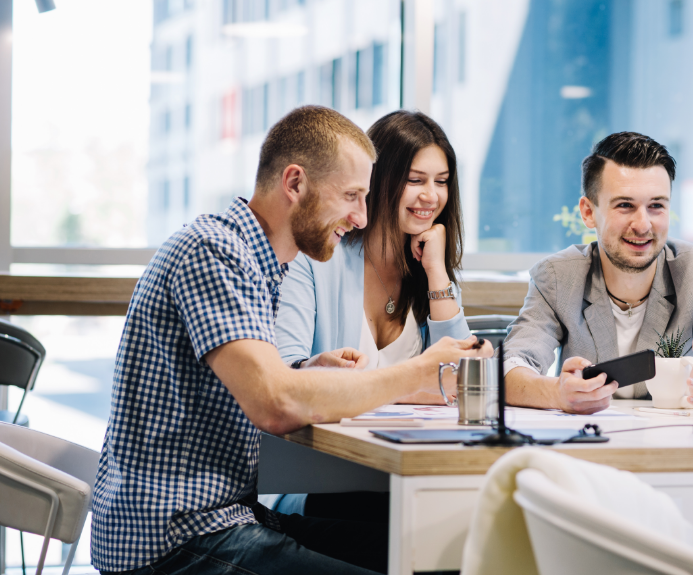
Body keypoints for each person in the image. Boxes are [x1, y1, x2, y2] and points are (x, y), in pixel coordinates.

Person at [90, 106, 491, 575]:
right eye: (351, 196)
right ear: (296, 183)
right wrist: (416, 373)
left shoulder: (263, 265)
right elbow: (274, 404)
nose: (361, 217)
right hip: (174, 534)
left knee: (437, 555)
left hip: (229, 515)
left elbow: (265, 377)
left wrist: (306, 372)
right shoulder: (214, 250)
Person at [502, 131, 693, 416]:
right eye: (625, 205)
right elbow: (510, 367)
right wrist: (556, 393)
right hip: (590, 444)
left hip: (677, 445)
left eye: (656, 205)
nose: (643, 225)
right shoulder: (557, 277)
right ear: (588, 212)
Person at [275, 110, 469, 406]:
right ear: (374, 180)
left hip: (406, 447)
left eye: (441, 182)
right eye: (416, 180)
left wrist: (437, 271)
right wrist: (413, 390)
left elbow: (460, 380)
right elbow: (286, 370)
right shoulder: (314, 258)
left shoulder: (432, 273)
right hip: (327, 446)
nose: (431, 196)